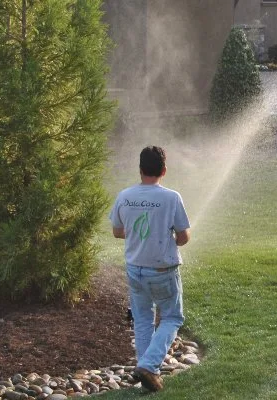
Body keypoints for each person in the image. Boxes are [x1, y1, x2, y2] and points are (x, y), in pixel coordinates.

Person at [109, 146, 191, 392]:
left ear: (140, 169)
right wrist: (170, 240)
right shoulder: (171, 197)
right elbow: (184, 236)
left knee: (143, 319)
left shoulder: (125, 196)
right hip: (162, 270)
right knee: (173, 317)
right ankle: (148, 365)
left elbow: (117, 231)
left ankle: (147, 369)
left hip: (135, 269)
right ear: (163, 171)